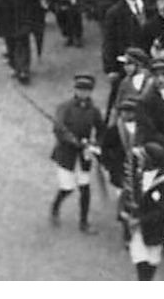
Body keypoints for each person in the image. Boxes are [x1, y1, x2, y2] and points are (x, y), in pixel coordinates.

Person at [50, 74, 104, 234]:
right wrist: (74, 141)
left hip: (84, 154)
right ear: (75, 90)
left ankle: (84, 222)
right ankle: (55, 207)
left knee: (85, 188)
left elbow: (101, 129)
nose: (83, 93)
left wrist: (96, 144)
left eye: (87, 90)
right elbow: (59, 129)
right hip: (66, 154)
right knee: (67, 188)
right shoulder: (65, 107)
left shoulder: (93, 110)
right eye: (80, 90)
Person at [127, 140, 164, 280]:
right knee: (140, 262)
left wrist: (139, 220)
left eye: (142, 158)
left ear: (150, 161)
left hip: (154, 229)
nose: (139, 160)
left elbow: (161, 212)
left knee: (150, 263)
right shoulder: (139, 175)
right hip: (140, 229)